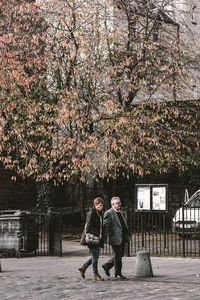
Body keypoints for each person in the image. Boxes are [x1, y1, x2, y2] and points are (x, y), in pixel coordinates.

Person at [102, 196, 131, 279]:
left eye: (120, 203)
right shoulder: (109, 213)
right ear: (112, 204)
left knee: (120, 255)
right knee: (118, 256)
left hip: (122, 237)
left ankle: (107, 266)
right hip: (115, 237)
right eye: (117, 203)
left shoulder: (119, 212)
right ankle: (118, 274)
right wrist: (104, 238)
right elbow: (106, 226)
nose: (119, 204)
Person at [78, 197, 104, 281]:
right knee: (95, 255)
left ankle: (83, 267)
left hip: (96, 238)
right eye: (100, 205)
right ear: (95, 205)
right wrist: (97, 234)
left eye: (102, 205)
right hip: (91, 238)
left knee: (95, 255)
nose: (101, 207)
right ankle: (95, 274)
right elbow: (88, 228)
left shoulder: (99, 213)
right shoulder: (91, 213)